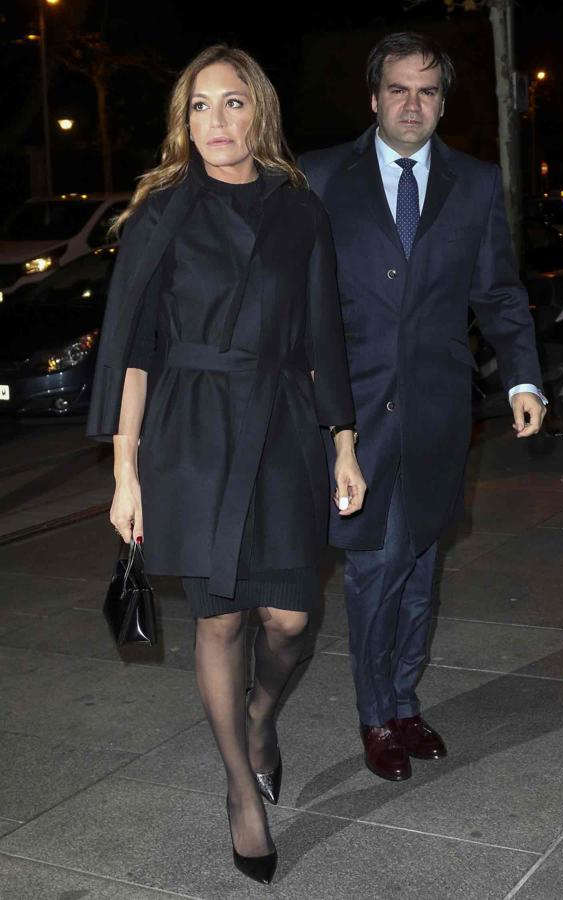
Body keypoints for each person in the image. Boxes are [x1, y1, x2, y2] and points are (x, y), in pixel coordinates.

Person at [85, 44, 366, 886]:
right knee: (220, 622)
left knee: (290, 620)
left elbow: (323, 336)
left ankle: (260, 715)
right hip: (193, 433)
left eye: (233, 102)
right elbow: (132, 353)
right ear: (185, 120)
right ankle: (242, 792)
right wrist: (125, 472)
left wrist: (343, 443)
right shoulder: (162, 213)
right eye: (200, 105)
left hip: (281, 426)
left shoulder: (298, 210)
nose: (216, 120)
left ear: (259, 112)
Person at [298, 31, 547, 782]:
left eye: (428, 91)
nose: (413, 104)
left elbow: (497, 292)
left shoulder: (474, 182)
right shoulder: (319, 176)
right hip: (351, 412)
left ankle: (404, 703)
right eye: (399, 89)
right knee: (375, 564)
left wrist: (523, 379)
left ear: (443, 103)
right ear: (374, 98)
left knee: (420, 563)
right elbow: (292, 297)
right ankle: (377, 714)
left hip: (438, 413)